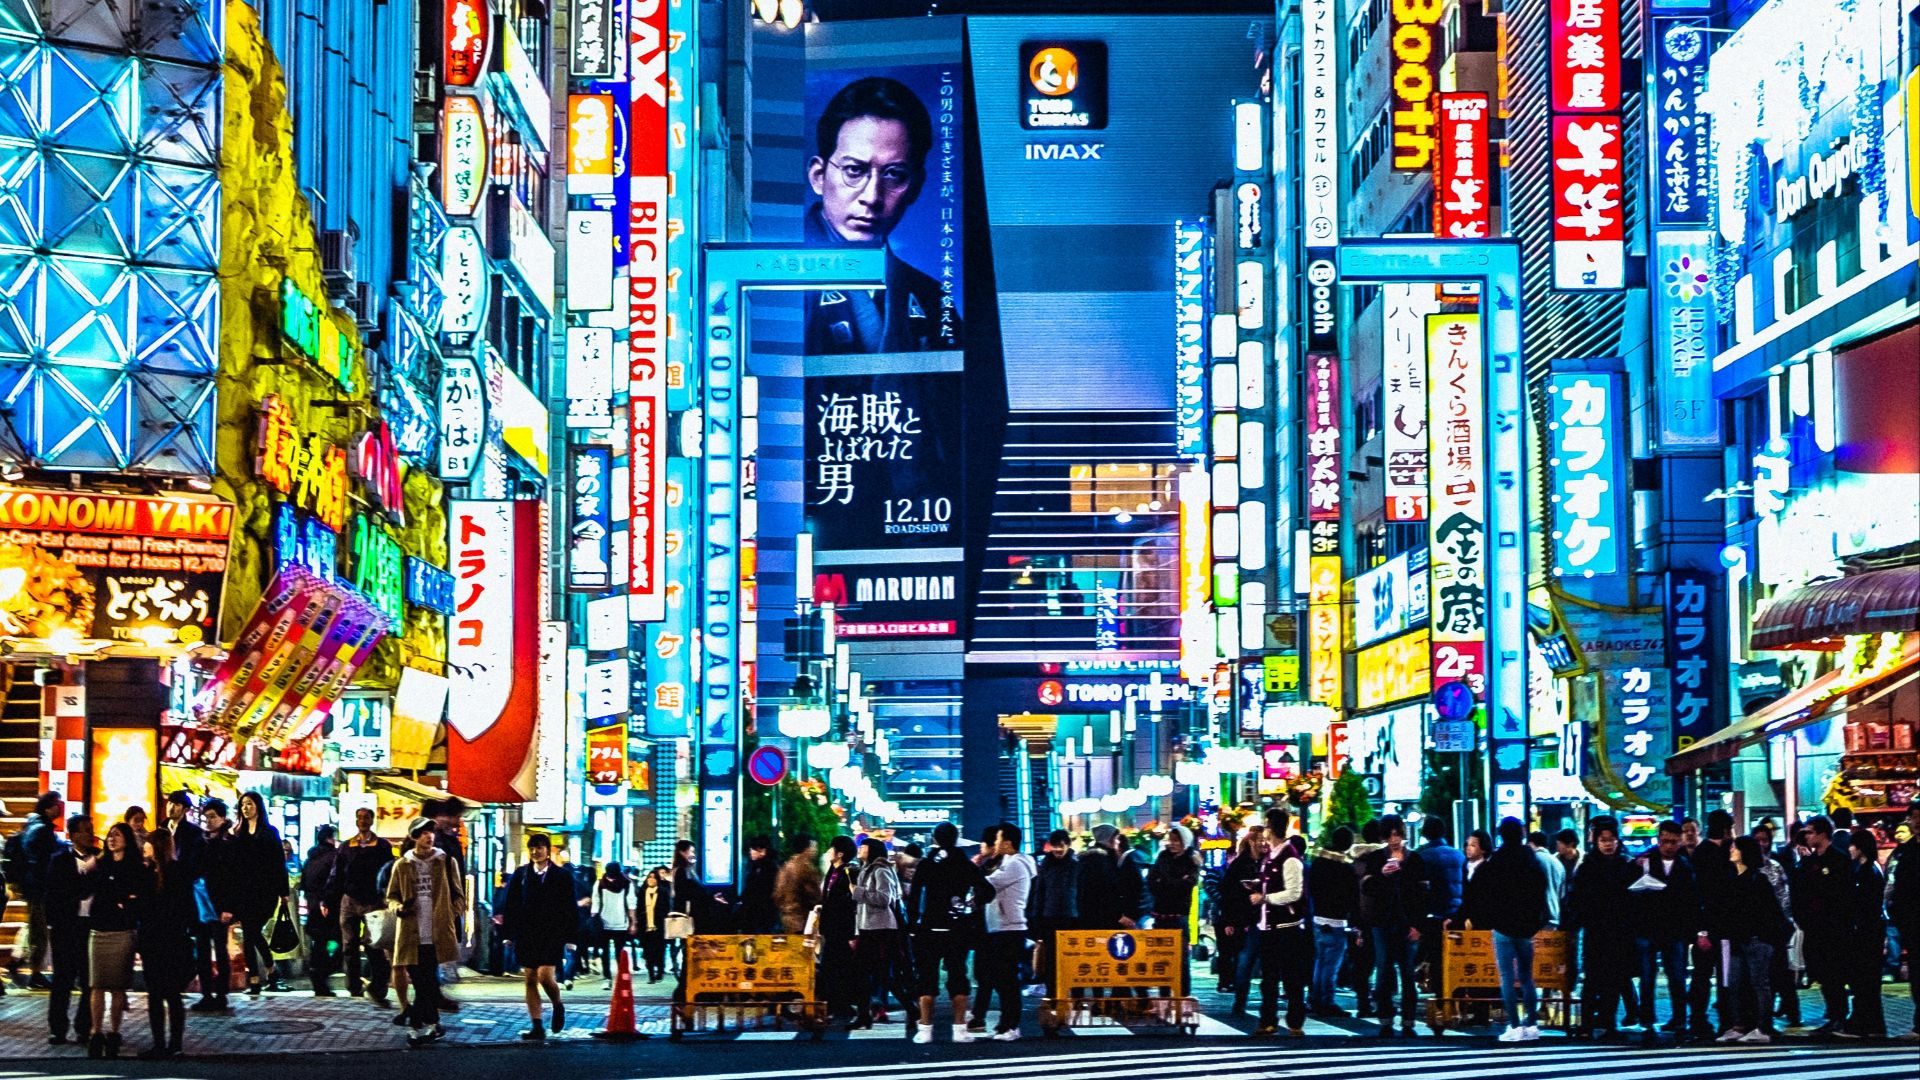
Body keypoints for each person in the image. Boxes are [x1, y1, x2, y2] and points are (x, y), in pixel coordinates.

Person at [803, 75, 960, 353]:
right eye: (854, 170)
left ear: (915, 186)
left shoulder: (932, 298)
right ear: (818, 176)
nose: (872, 197)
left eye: (894, 175)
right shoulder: (780, 277)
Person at [905, 821, 993, 1044]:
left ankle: (925, 1029)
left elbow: (914, 897)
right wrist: (970, 905)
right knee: (958, 976)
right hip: (957, 927)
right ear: (956, 839)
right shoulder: (964, 862)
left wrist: (913, 925)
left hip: (929, 927)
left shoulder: (925, 864)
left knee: (926, 977)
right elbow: (987, 890)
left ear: (934, 839)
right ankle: (959, 1029)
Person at [1466, 819, 1550, 1042]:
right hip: (1527, 927)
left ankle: (1513, 1025)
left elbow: (1482, 893)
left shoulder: (1496, 861)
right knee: (1526, 976)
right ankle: (1531, 1024)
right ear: (1521, 834)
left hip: (1503, 926)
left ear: (1501, 835)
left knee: (1506, 977)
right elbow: (1541, 890)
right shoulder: (1531, 860)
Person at [386, 817, 463, 1047]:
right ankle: (431, 1025)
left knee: (426, 980)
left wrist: (450, 913)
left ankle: (417, 1026)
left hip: (436, 930)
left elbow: (459, 895)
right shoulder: (402, 864)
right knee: (422, 981)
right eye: (422, 833)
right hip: (411, 931)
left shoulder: (445, 861)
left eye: (431, 832)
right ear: (413, 837)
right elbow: (391, 896)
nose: (429, 836)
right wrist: (398, 908)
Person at [1711, 836, 1792, 1044]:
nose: (1731, 850)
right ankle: (1738, 1025)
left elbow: (1768, 912)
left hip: (1756, 939)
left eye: (1735, 848)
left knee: (1759, 984)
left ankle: (1762, 1027)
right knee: (1736, 983)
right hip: (1738, 939)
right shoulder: (1732, 878)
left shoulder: (1758, 879)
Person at [1564, 816, 1637, 1037]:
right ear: (1596, 841)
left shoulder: (1627, 864)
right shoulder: (1587, 866)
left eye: (1611, 839)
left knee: (1613, 979)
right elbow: (1575, 899)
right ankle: (1587, 1024)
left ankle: (1608, 1023)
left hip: (1619, 931)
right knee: (1593, 978)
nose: (1607, 844)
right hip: (1595, 930)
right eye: (1603, 840)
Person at [499, 834, 577, 1040]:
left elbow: (570, 907)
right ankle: (537, 1025)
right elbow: (511, 905)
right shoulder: (521, 874)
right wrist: (508, 933)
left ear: (547, 850)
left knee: (544, 975)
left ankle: (557, 1004)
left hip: (552, 933)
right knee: (530, 978)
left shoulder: (562, 875)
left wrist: (571, 937)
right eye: (532, 848)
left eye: (540, 848)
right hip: (527, 932)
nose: (535, 852)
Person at [1356, 815, 1427, 1036]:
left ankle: (1408, 1021)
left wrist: (1418, 925)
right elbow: (1366, 889)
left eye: (1397, 834)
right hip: (1381, 921)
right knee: (1384, 968)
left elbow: (1422, 895)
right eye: (1389, 835)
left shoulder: (1414, 859)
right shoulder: (1377, 858)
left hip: (1407, 921)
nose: (1394, 839)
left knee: (1407, 971)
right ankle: (1385, 1019)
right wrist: (1381, 874)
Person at [82, 821, 149, 1059]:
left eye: (117, 835)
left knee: (118, 985)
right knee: (97, 984)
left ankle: (114, 1031)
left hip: (123, 930)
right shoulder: (99, 864)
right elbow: (86, 889)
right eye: (110, 835)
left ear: (127, 840)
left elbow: (138, 897)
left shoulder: (135, 867)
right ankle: (95, 1032)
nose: (112, 839)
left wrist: (125, 901)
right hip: (99, 928)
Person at [1628, 819, 1700, 1036]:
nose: (1669, 846)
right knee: (1648, 976)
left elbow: (1692, 901)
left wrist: (1691, 930)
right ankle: (1648, 1018)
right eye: (1665, 841)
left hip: (1673, 929)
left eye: (1673, 842)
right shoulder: (1644, 861)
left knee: (1676, 976)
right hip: (1648, 928)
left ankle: (1678, 1018)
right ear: (1659, 840)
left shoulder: (1685, 866)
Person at [1248, 809, 1311, 1037]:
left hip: (1287, 927)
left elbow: (1294, 893)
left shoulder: (1290, 857)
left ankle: (1295, 1022)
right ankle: (1268, 1021)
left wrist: (1264, 897)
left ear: (1271, 828)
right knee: (1269, 978)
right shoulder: (1271, 856)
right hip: (1269, 926)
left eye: (1265, 826)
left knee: (1291, 978)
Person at [1792, 815, 1854, 1037]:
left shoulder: (1838, 859)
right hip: (1813, 928)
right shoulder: (1809, 862)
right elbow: (1799, 889)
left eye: (1810, 832)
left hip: (1833, 929)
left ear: (1822, 834)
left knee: (1834, 973)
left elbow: (1841, 896)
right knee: (1820, 972)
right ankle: (1832, 1014)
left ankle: (1839, 1016)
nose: (1806, 836)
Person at [325, 807, 395, 1003]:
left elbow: (389, 872)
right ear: (356, 821)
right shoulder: (346, 846)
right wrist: (328, 898)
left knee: (374, 944)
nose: (362, 821)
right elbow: (336, 873)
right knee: (349, 945)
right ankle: (353, 986)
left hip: (373, 901)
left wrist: (387, 897)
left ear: (372, 821)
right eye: (360, 818)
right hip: (349, 900)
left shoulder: (382, 846)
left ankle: (378, 986)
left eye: (366, 817)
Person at [139, 829, 195, 1059]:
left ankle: (162, 1044)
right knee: (169, 994)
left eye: (148, 843)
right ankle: (173, 1044)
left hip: (159, 940)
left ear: (157, 846)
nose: (144, 847)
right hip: (171, 939)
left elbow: (144, 906)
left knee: (159, 994)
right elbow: (189, 910)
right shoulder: (171, 871)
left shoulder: (162, 873)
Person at [229, 791, 289, 994]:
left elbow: (279, 861)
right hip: (244, 892)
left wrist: (283, 890)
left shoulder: (269, 831)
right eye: (243, 805)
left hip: (266, 891)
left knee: (253, 932)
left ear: (258, 807)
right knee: (250, 933)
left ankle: (269, 973)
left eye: (250, 804)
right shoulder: (237, 833)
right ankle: (258, 978)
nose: (246, 808)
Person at [977, 824, 1033, 1040]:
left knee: (1007, 979)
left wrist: (973, 870)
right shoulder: (1009, 862)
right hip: (1003, 927)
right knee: (1001, 978)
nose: (996, 844)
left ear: (1008, 843)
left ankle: (1012, 1026)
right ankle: (1005, 1024)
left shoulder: (1015, 863)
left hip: (1011, 928)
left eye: (999, 840)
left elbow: (989, 883)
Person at [43, 813, 94, 1047]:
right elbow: (53, 895)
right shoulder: (60, 860)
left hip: (91, 926)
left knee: (88, 980)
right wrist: (53, 924)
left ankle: (84, 1027)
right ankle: (58, 1029)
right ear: (73, 835)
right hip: (66, 927)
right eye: (84, 830)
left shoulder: (99, 860)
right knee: (62, 980)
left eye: (90, 828)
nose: (89, 833)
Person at [8, 791, 64, 988]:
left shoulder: (35, 826)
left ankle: (18, 960)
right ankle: (36, 974)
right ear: (48, 807)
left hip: (34, 887)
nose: (60, 807)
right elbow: (40, 860)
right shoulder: (41, 830)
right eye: (56, 804)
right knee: (39, 932)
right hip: (38, 888)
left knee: (35, 927)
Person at [1687, 809, 1735, 1039]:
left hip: (1708, 927)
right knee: (1720, 976)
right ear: (1726, 830)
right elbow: (1704, 895)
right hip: (1719, 927)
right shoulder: (1718, 855)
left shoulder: (1700, 854)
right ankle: (1722, 1020)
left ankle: (1699, 1018)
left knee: (1703, 975)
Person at [851, 837, 906, 1028]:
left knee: (880, 974)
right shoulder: (865, 870)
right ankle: (864, 1015)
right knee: (865, 973)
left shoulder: (881, 870)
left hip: (881, 929)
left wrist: (858, 892)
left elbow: (884, 898)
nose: (860, 849)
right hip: (868, 928)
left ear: (872, 850)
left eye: (863, 847)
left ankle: (910, 1007)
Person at [1307, 825, 1359, 1017]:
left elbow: (1311, 888)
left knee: (1320, 960)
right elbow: (1352, 896)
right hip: (1336, 919)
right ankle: (1326, 1000)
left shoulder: (1318, 863)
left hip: (1318, 917)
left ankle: (1315, 997)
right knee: (1331, 963)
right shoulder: (1345, 868)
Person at [1841, 830, 1887, 1038]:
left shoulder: (1867, 872)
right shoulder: (1869, 869)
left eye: (1852, 845)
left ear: (1860, 847)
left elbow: (1864, 905)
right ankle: (1873, 1024)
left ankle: (1862, 1024)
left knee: (1863, 980)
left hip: (1866, 934)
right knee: (1867, 981)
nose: (1849, 849)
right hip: (1870, 932)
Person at [193, 799, 238, 1012]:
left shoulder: (229, 842)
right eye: (206, 817)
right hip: (201, 904)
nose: (209, 821)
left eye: (212, 817)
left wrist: (229, 907)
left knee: (220, 951)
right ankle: (206, 993)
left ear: (222, 817)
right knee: (202, 950)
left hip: (219, 905)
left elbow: (233, 878)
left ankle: (221, 994)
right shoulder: (201, 841)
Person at [1147, 825, 1201, 992]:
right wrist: (1174, 882)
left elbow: (1187, 885)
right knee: (1161, 958)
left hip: (1179, 916)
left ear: (1185, 841)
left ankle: (1183, 996)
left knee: (1181, 959)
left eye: (1176, 840)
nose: (1172, 844)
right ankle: (1164, 995)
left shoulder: (1191, 859)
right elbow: (1151, 881)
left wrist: (1165, 882)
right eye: (1171, 840)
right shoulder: (1162, 856)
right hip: (1160, 914)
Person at [1026, 829, 1078, 999]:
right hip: (1049, 918)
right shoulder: (1045, 865)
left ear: (1067, 845)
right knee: (1050, 959)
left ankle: (1072, 994)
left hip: (1071, 918)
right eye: (1055, 846)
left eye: (1061, 846)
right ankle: (1053, 993)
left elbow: (1083, 892)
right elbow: (1039, 893)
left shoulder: (1076, 865)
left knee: (1071, 958)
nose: (1058, 850)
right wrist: (1036, 919)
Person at [1220, 827, 1264, 1013]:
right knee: (1244, 961)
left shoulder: (1268, 862)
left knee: (1267, 963)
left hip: (1265, 919)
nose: (1264, 844)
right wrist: (1229, 921)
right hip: (1244, 920)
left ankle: (1267, 1001)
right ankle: (1240, 1001)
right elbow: (1227, 893)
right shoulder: (1239, 864)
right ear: (1251, 842)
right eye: (1260, 840)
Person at [1887, 803, 1920, 1042]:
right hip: (1912, 922)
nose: (1916, 821)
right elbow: (1898, 887)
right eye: (1914, 817)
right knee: (1917, 978)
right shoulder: (1905, 851)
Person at [820, 835, 861, 1023]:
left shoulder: (849, 872)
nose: (828, 852)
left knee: (840, 966)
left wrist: (851, 933)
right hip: (830, 927)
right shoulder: (832, 871)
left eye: (831, 849)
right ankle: (834, 1004)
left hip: (842, 928)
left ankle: (842, 1005)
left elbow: (852, 904)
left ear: (840, 854)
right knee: (830, 965)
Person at [300, 825, 340, 996]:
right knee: (343, 940)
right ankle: (322, 974)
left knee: (320, 944)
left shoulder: (310, 859)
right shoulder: (333, 857)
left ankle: (318, 981)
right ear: (329, 838)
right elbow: (336, 882)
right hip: (328, 906)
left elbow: (303, 884)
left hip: (313, 906)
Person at [551, 844, 594, 986]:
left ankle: (561, 978)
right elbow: (588, 900)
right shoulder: (579, 885)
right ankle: (567, 977)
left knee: (560, 953)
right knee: (571, 952)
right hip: (575, 924)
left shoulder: (556, 887)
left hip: (559, 924)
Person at [592, 862, 636, 981]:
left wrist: (632, 923)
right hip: (604, 923)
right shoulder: (599, 884)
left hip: (620, 923)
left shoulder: (626, 884)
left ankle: (619, 975)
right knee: (605, 952)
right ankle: (607, 976)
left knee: (619, 952)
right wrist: (594, 919)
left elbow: (631, 904)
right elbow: (595, 902)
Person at [775, 835, 823, 935]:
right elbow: (814, 894)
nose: (815, 850)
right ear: (806, 849)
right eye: (814, 847)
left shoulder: (787, 865)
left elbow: (778, 892)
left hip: (787, 918)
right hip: (801, 919)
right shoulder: (805, 867)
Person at [1527, 830, 1566, 929]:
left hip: (1536, 916)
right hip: (1554, 915)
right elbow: (1562, 894)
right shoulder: (1558, 862)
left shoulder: (1532, 859)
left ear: (1531, 844)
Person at [637, 866, 670, 982]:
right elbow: (638, 908)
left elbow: (667, 908)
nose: (651, 879)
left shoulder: (663, 892)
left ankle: (660, 971)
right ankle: (651, 975)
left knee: (660, 950)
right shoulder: (642, 891)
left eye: (654, 877)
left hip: (659, 926)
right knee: (648, 951)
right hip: (646, 926)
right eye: (649, 877)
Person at [739, 837, 778, 933]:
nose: (750, 852)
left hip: (761, 915)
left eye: (753, 849)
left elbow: (755, 890)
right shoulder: (756, 866)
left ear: (762, 851)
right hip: (757, 914)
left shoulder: (768, 869)